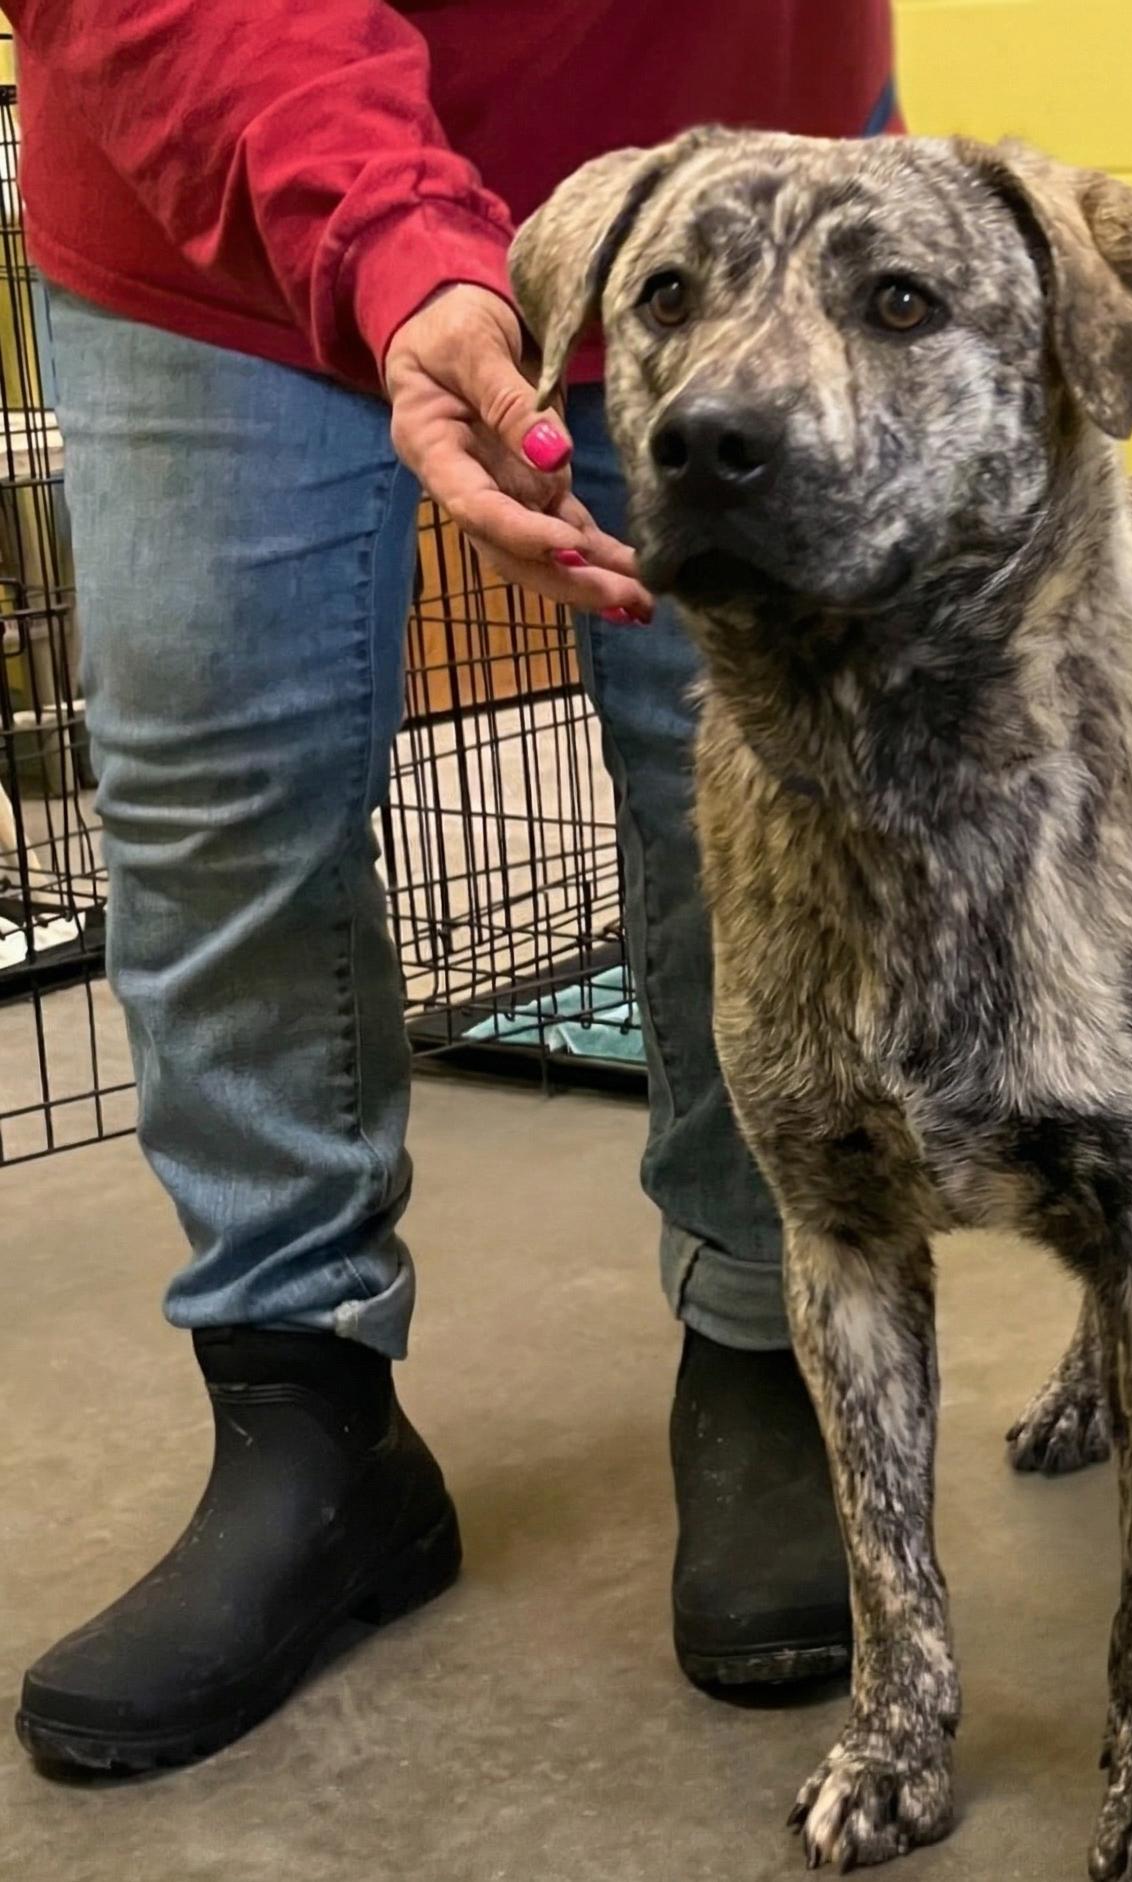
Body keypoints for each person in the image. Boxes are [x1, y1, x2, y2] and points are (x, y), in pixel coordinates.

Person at [9, 0, 898, 1776]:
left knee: (753, 765)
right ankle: (306, 1416)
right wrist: (392, 234)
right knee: (217, 784)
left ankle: (761, 1343)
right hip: (210, 175)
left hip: (712, 128)